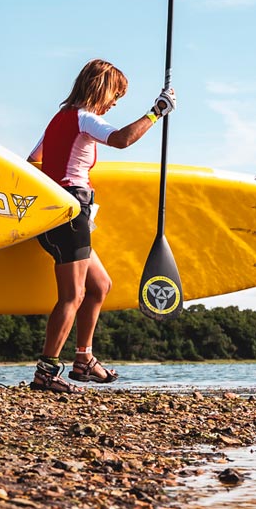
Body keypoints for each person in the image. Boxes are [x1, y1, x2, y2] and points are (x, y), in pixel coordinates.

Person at [27, 59, 175, 394]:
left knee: (100, 286)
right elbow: (122, 139)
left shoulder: (58, 120)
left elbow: (32, 161)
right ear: (100, 88)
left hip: (60, 212)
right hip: (69, 213)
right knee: (73, 295)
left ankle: (83, 360)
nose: (114, 103)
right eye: (115, 96)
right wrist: (156, 112)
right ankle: (46, 373)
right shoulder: (84, 118)